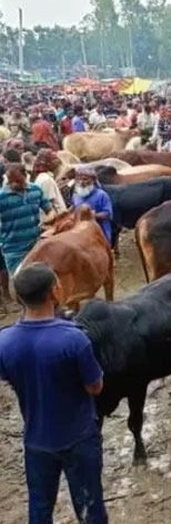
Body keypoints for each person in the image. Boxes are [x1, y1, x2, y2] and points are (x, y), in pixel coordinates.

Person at [0, 263, 107, 524]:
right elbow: (95, 387)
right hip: (79, 436)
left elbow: (7, 376)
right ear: (53, 292)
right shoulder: (74, 340)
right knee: (90, 506)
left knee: (39, 507)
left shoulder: (4, 341)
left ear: (18, 297)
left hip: (36, 439)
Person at [0, 164, 53, 275]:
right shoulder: (2, 197)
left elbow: (50, 211)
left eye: (18, 181)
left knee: (39, 281)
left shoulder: (36, 190)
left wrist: (47, 223)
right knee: (20, 282)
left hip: (36, 245)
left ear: (25, 176)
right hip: (13, 249)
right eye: (11, 181)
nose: (14, 184)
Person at [72, 167, 115, 245]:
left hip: (100, 233)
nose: (81, 182)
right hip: (80, 234)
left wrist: (91, 215)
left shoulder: (101, 195)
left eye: (85, 179)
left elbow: (107, 214)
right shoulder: (76, 196)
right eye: (78, 179)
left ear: (93, 180)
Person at [29, 149, 67, 214]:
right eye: (54, 160)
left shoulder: (43, 177)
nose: (58, 162)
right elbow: (50, 205)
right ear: (47, 163)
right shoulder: (46, 180)